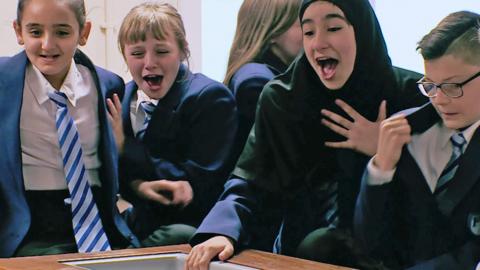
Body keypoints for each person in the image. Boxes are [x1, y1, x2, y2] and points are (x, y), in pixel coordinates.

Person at [185, 0, 427, 269]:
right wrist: (222, 231)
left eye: (333, 28)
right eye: (308, 32)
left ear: (362, 29)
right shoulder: (283, 98)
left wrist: (384, 152)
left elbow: (442, 191)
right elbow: (251, 180)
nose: (318, 43)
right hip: (305, 255)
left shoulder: (411, 93)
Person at [0, 0, 140, 257]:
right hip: (30, 229)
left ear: (83, 33)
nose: (47, 44)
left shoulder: (108, 85)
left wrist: (134, 174)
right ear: (19, 31)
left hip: (100, 223)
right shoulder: (3, 82)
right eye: (35, 32)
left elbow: (114, 163)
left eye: (62, 32)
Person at [354, 11, 480, 269]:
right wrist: (381, 167)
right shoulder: (404, 130)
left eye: (453, 86)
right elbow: (368, 242)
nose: (439, 99)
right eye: (430, 86)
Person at [108, 2, 238, 247]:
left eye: (162, 51)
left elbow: (196, 184)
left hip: (190, 227)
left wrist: (125, 146)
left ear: (183, 51)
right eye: (137, 53)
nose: (149, 63)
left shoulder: (210, 97)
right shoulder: (120, 98)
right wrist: (137, 186)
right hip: (135, 222)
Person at [224, 0, 302, 157]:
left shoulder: (256, 75)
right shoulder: (257, 82)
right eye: (303, 24)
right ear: (273, 31)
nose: (313, 34)